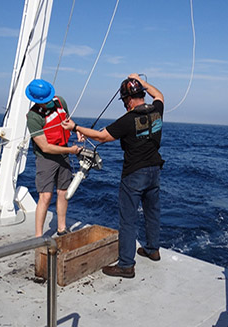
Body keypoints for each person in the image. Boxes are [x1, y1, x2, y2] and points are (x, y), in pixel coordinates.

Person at [61, 73, 164, 278]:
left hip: (134, 174)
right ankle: (153, 250)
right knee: (152, 212)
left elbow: (102, 137)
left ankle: (126, 265)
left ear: (128, 99)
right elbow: (159, 94)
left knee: (128, 219)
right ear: (142, 93)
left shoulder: (128, 119)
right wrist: (141, 81)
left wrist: (75, 127)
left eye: (125, 100)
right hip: (155, 171)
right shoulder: (157, 110)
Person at [25, 79, 81, 237]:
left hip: (63, 154)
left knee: (63, 192)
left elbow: (67, 120)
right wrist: (70, 150)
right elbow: (45, 147)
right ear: (38, 101)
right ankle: (38, 236)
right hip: (46, 159)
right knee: (46, 196)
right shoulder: (33, 118)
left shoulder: (60, 101)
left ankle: (61, 228)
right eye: (46, 101)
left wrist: (77, 130)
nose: (50, 102)